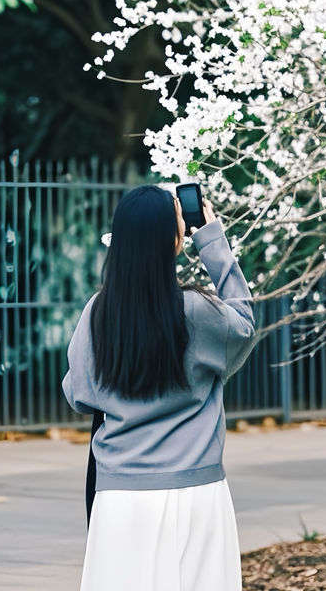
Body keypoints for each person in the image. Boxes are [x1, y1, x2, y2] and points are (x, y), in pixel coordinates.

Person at [62, 184, 256, 591]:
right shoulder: (199, 312)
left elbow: (79, 393)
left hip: (121, 498)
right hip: (198, 491)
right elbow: (244, 323)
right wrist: (212, 238)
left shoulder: (98, 313)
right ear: (175, 238)